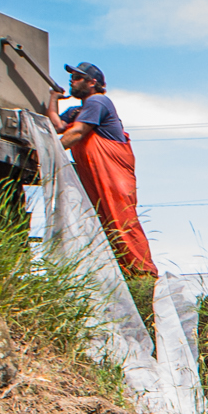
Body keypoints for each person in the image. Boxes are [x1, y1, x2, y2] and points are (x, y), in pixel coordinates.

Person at [44, 62, 157, 278]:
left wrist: (47, 153)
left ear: (92, 82)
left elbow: (76, 133)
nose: (72, 80)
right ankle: (126, 274)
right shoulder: (78, 110)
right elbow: (58, 126)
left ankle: (144, 273)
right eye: (72, 77)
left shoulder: (98, 101)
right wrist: (53, 99)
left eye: (77, 77)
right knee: (105, 226)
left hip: (113, 175)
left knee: (122, 223)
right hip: (96, 177)